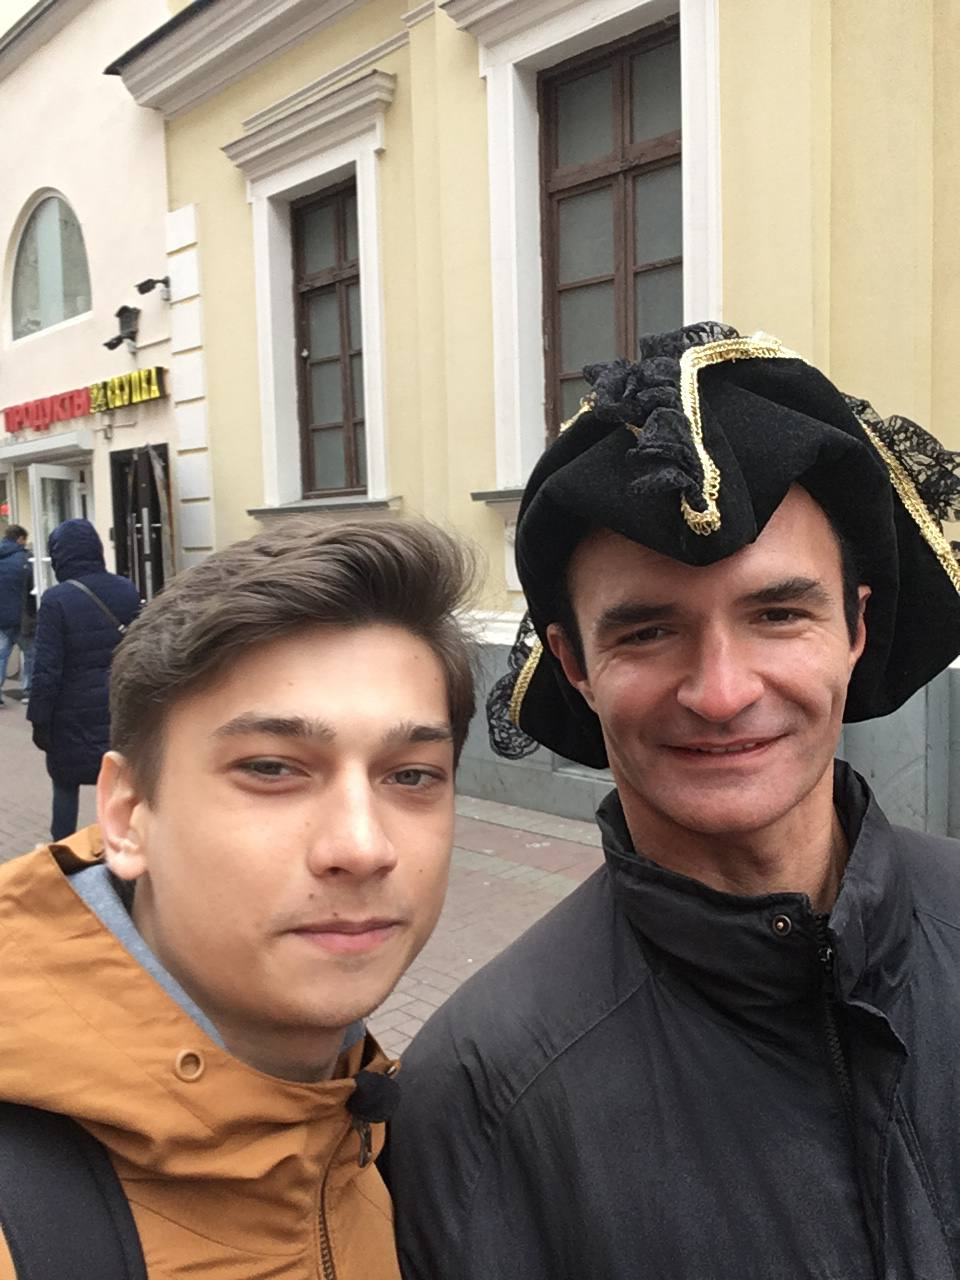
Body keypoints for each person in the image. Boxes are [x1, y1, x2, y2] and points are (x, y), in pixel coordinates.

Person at [387, 323, 960, 1279]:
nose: (723, 692)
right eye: (649, 631)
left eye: (778, 613)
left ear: (855, 629)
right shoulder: (482, 1096)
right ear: (574, 665)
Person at [0, 516, 476, 1279]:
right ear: (126, 814)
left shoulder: (389, 1132)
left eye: (412, 775)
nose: (363, 847)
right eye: (271, 769)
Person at [26, 518, 141, 840]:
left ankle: (62, 854)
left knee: (65, 786)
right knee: (120, 781)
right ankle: (123, 845)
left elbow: (46, 668)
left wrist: (39, 720)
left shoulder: (56, 599)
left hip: (70, 714)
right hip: (119, 707)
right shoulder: (127, 589)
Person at [0, 524, 28, 707]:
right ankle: (29, 690)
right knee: (31, 653)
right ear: (19, 539)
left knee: (1, 654)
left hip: (2, 617)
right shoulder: (24, 559)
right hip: (22, 616)